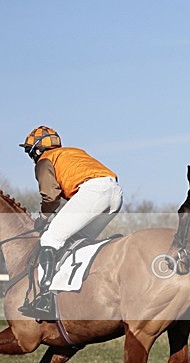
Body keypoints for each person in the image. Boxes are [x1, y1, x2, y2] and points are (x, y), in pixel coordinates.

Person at [18, 125, 123, 320]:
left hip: (93, 192)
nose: (29, 155)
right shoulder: (73, 152)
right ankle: (78, 294)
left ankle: (45, 298)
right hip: (115, 193)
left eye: (28, 150)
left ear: (37, 149)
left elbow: (51, 198)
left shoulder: (44, 161)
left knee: (50, 239)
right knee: (76, 242)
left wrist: (43, 219)